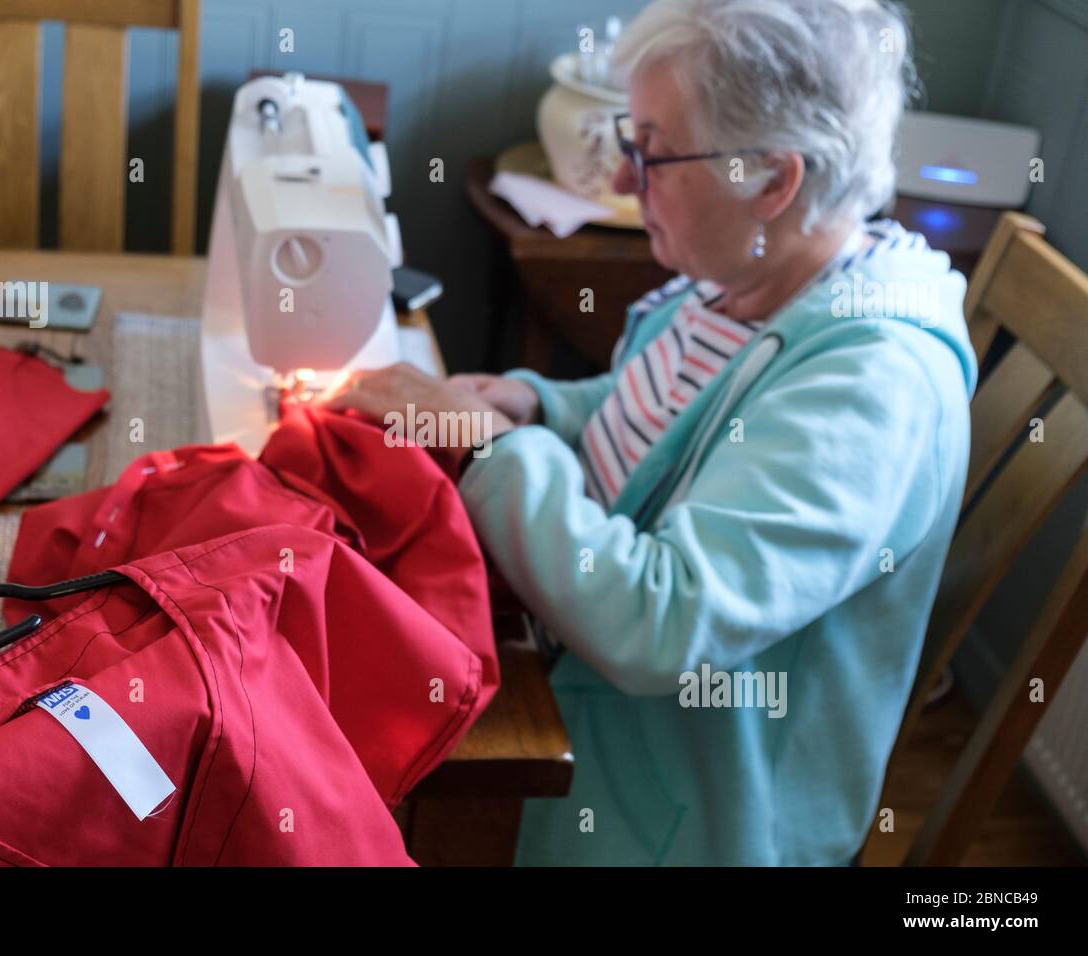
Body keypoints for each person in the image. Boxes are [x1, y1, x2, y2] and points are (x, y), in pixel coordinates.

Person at [325, 0, 976, 865]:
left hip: (676, 813)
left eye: (653, 152)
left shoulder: (870, 393)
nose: (626, 182)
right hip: (604, 710)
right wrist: (534, 407)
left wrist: (488, 447)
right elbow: (662, 417)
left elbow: (659, 623)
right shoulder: (751, 282)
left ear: (773, 180)